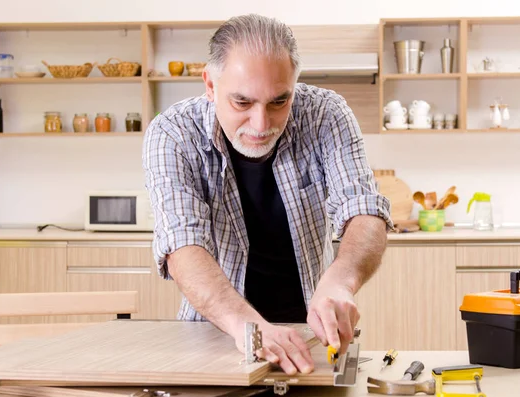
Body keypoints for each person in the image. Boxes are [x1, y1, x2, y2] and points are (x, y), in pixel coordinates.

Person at [142, 13, 394, 376]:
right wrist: (248, 326)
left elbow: (364, 210)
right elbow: (183, 247)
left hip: (314, 335)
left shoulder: (326, 114)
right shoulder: (172, 134)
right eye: (242, 103)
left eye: (279, 101)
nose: (261, 125)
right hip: (218, 332)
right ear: (210, 85)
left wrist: (341, 281)